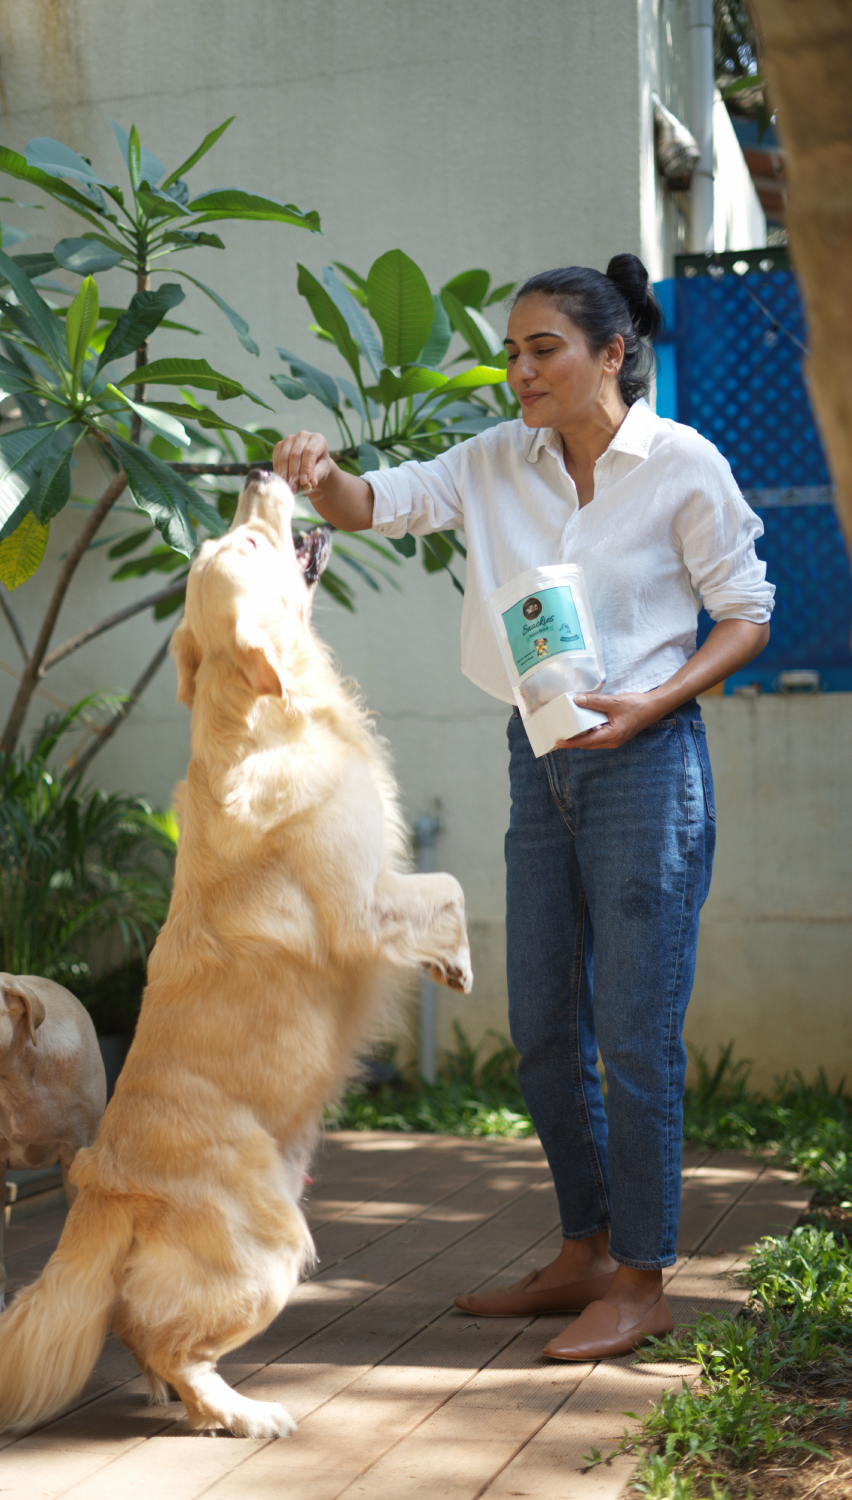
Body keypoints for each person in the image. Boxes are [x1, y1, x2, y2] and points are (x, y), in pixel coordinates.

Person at [273, 254, 773, 1360]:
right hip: (534, 755)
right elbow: (374, 505)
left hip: (646, 763)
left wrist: (651, 703)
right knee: (545, 1029)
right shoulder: (497, 459)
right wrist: (318, 474)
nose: (517, 371)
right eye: (508, 352)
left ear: (612, 353)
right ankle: (584, 1252)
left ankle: (642, 1280)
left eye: (541, 349)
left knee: (634, 1037)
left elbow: (746, 615)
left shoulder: (682, 465)